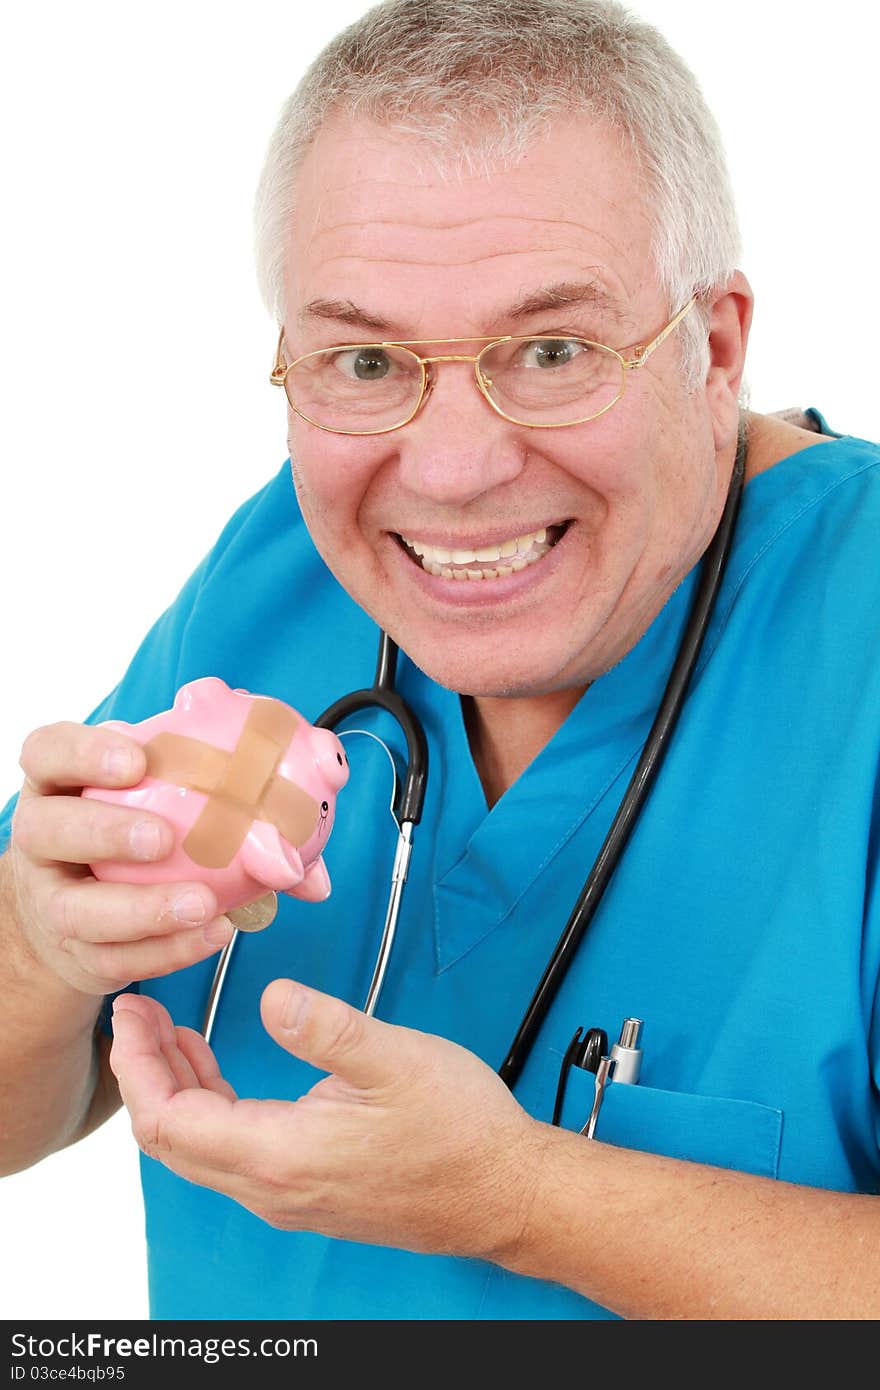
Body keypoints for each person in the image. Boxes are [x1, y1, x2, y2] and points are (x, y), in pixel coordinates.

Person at [1, 0, 878, 1321]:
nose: (455, 471)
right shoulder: (281, 571)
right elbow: (36, 1099)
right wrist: (34, 940)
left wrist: (522, 1195)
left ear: (715, 346)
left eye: (552, 350)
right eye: (366, 359)